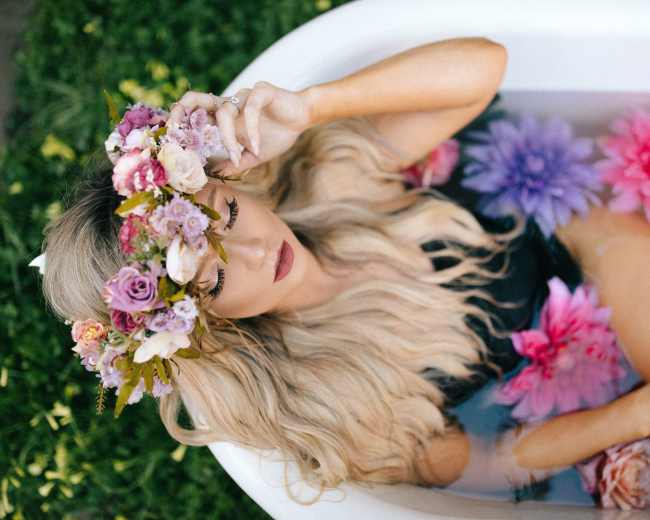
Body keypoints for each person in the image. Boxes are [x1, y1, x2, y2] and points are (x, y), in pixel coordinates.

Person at [36, 36, 650, 502]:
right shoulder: (328, 402)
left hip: (589, 237)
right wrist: (632, 415)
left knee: (602, 225)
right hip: (596, 372)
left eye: (225, 214)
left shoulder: (331, 184)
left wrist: (309, 107)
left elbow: (485, 67)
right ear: (204, 328)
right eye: (216, 280)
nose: (256, 251)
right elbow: (488, 462)